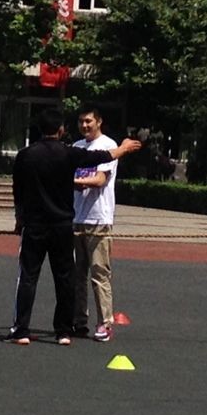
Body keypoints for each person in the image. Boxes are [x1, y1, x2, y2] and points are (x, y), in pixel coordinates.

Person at [8, 108, 141, 346]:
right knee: (66, 278)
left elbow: (18, 189)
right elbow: (99, 157)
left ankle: (21, 329)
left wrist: (20, 218)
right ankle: (63, 331)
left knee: (28, 277)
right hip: (63, 225)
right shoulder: (69, 153)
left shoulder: (25, 155)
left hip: (35, 224)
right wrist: (122, 150)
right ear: (61, 130)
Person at [71, 105, 120, 342]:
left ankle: (105, 323)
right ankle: (79, 321)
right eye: (81, 121)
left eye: (89, 121)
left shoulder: (109, 146)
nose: (85, 126)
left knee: (99, 273)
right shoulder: (77, 148)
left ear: (99, 122)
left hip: (99, 219)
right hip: (76, 218)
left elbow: (100, 179)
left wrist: (77, 181)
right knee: (76, 274)